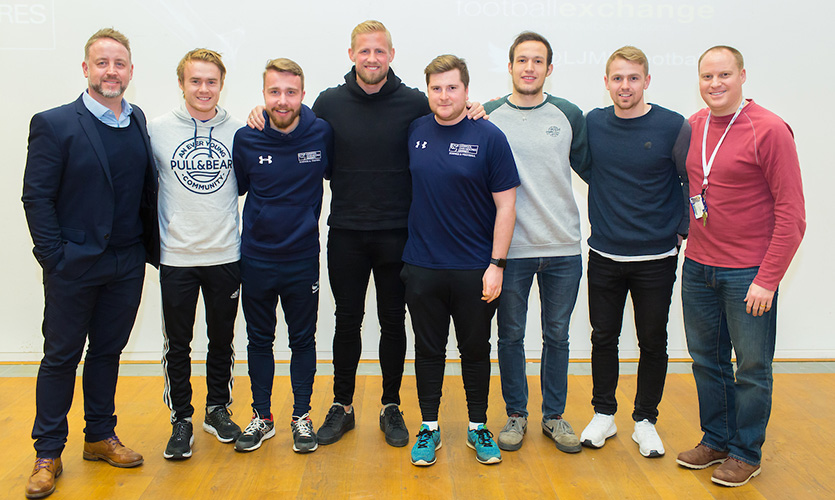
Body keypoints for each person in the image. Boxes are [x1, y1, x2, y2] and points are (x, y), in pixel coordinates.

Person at [247, 20, 484, 448]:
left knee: (394, 322)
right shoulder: (329, 103)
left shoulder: (415, 101)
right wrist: (260, 113)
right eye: (364, 51)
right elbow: (293, 126)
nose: (371, 58)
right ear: (352, 54)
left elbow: (450, 119)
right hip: (347, 233)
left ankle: (390, 405)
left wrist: (475, 108)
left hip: (399, 234)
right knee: (347, 320)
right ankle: (342, 405)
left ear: (391, 55)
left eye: (379, 51)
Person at [21, 28, 159, 499]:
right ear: (85, 69)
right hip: (73, 265)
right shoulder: (55, 123)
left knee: (107, 353)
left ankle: (99, 436)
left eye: (119, 63)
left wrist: (144, 249)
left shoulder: (137, 120)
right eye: (102, 63)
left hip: (127, 261)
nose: (111, 71)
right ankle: (47, 453)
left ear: (130, 71)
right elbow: (36, 197)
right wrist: (53, 258)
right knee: (61, 357)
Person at [675, 45, 805, 487]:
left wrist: (767, 279)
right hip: (698, 268)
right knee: (706, 361)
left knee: (751, 367)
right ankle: (715, 439)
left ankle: (746, 451)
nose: (715, 84)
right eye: (707, 76)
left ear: (743, 75)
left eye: (724, 75)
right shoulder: (693, 126)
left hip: (748, 274)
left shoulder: (769, 129)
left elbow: (792, 214)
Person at [404, 55, 519, 467]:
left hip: (475, 269)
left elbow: (507, 207)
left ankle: (477, 427)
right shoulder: (416, 130)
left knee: (475, 350)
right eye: (436, 88)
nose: (444, 95)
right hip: (422, 266)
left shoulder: (489, 137)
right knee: (428, 350)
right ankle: (429, 428)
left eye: (452, 87)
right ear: (428, 91)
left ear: (467, 91)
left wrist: (497, 265)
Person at [578, 46, 690, 459]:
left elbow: (687, 179)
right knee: (603, 337)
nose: (625, 86)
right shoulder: (593, 123)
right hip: (605, 253)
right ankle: (604, 414)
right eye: (617, 78)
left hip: (656, 259)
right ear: (606, 82)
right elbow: (591, 169)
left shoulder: (672, 125)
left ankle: (645, 420)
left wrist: (682, 228)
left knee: (652, 341)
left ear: (647, 81)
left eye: (633, 78)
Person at [483, 31, 588, 454]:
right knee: (509, 336)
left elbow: (596, 173)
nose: (529, 67)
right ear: (509, 67)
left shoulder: (568, 114)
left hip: (563, 247)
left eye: (537, 61)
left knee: (557, 337)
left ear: (549, 68)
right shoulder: (486, 115)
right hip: (512, 251)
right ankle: (515, 415)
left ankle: (554, 417)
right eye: (522, 60)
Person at [232, 58, 333, 454]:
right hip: (255, 258)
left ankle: (302, 417)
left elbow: (337, 173)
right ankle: (263, 417)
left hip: (303, 258)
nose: (282, 100)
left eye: (290, 92)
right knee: (259, 340)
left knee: (302, 340)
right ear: (263, 95)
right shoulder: (247, 137)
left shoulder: (322, 133)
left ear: (303, 95)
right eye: (274, 92)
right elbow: (239, 188)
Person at [149, 48, 244, 460]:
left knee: (221, 339)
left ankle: (217, 409)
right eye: (195, 81)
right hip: (176, 257)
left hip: (226, 253)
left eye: (211, 81)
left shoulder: (242, 132)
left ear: (221, 84)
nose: (203, 89)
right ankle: (182, 419)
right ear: (182, 83)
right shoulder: (155, 131)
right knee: (179, 343)